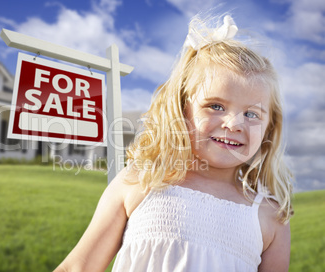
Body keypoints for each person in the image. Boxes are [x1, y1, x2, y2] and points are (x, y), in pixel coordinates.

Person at [54, 14, 293, 272]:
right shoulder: (141, 181)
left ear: (270, 125)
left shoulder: (270, 217)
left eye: (251, 114)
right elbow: (77, 267)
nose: (234, 124)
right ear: (181, 109)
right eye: (215, 106)